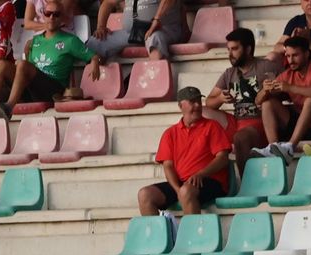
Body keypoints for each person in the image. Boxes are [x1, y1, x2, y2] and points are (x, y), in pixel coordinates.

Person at [138, 87, 230, 217]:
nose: (198, 105)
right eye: (192, 102)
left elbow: (223, 158)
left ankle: (192, 237)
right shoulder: (170, 133)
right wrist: (177, 189)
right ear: (180, 106)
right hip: (183, 183)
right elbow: (168, 165)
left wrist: (201, 174)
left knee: (186, 190)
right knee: (145, 195)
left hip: (210, 180)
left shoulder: (212, 126)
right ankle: (157, 237)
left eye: (199, 101)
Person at [204, 28, 285, 171]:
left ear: (248, 49)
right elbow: (209, 101)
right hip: (237, 122)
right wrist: (221, 98)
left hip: (260, 123)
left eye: (234, 49)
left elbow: (286, 88)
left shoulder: (265, 66)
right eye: (228, 49)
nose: (230, 54)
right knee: (203, 112)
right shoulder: (229, 73)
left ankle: (246, 184)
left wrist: (270, 92)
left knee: (240, 138)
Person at [253, 36, 311, 161]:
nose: (291, 60)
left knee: (310, 100)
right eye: (288, 56)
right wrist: (265, 90)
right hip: (298, 123)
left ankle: (289, 147)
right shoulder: (287, 74)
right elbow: (257, 101)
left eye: (295, 55)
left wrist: (290, 88)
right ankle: (274, 148)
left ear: (307, 54)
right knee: (267, 103)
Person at [6, 3, 97, 106]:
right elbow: (30, 69)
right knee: (2, 66)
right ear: (43, 16)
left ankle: (9, 107)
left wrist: (95, 62)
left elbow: (93, 56)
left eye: (56, 14)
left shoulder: (70, 40)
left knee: (22, 65)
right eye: (48, 13)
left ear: (62, 18)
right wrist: (27, 54)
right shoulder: (35, 41)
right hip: (35, 89)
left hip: (54, 91)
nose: (51, 17)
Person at [88, 0, 187, 60]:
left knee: (155, 39)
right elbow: (107, 3)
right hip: (133, 33)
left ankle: (155, 85)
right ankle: (103, 88)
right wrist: (101, 27)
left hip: (163, 29)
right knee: (95, 42)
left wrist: (157, 19)